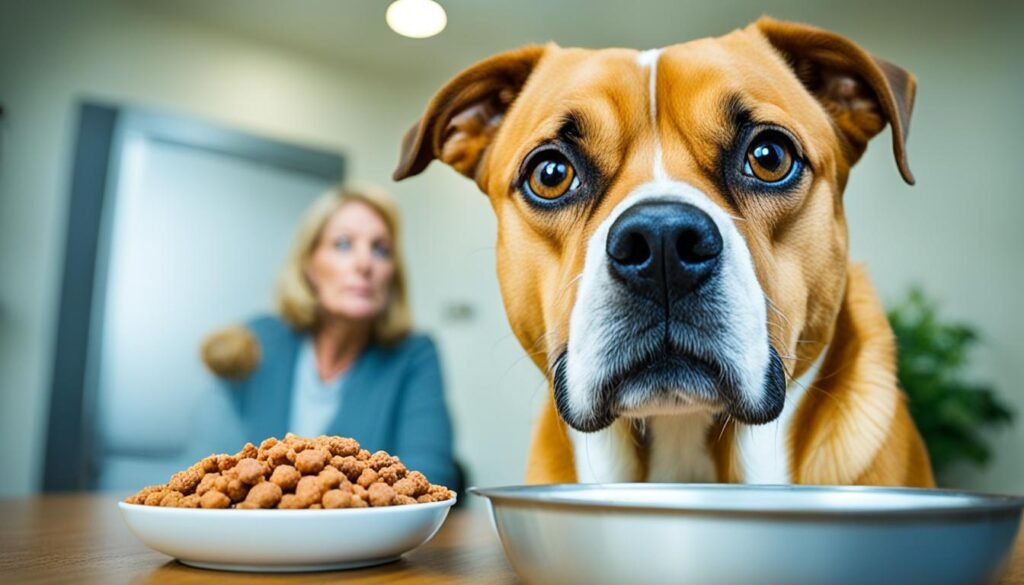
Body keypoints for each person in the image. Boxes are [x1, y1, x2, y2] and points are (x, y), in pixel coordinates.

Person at [200, 184, 459, 491]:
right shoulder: (255, 342)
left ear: (392, 274)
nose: (365, 264)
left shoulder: (414, 356)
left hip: (369, 540)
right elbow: (209, 474)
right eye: (343, 244)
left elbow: (429, 478)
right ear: (309, 265)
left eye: (381, 249)